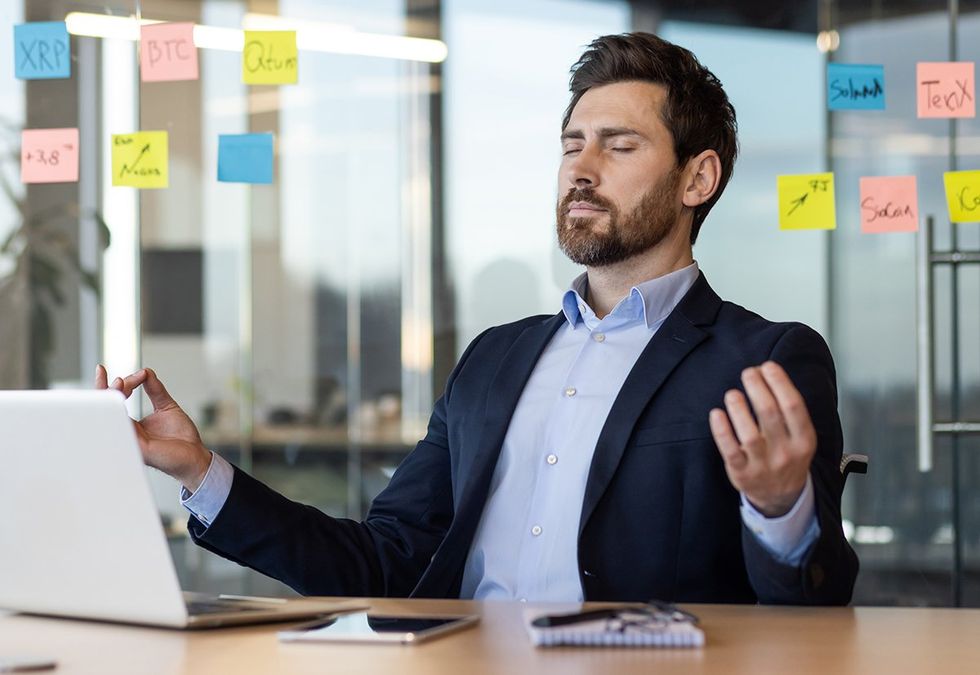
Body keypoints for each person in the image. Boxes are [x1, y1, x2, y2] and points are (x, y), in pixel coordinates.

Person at [97, 32, 857, 604]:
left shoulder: (764, 359)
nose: (582, 170)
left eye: (620, 146)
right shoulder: (495, 358)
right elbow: (383, 561)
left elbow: (816, 606)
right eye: (571, 146)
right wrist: (200, 473)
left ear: (699, 177)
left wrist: (780, 507)